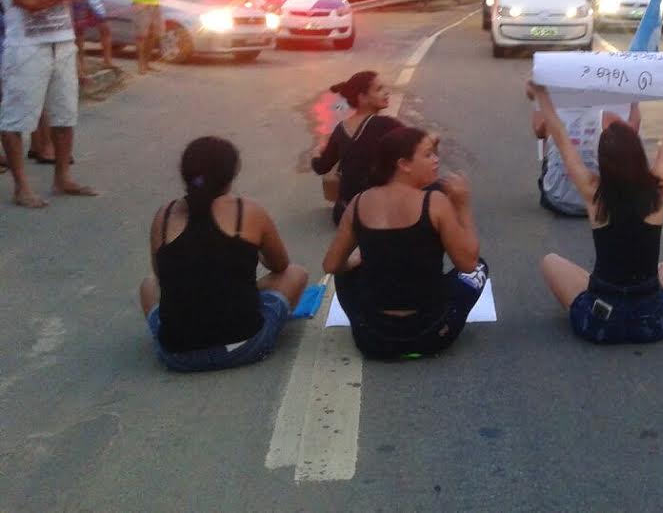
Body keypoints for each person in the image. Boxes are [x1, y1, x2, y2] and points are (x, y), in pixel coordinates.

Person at [530, 80, 663, 344]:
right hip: (651, 320)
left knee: (550, 261)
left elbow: (560, 138)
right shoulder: (657, 188)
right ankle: (637, 295)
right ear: (638, 153)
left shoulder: (595, 193)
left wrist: (541, 94)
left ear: (602, 160)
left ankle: (602, 287)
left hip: (601, 320)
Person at [139, 137, 307, 371]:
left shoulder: (164, 215)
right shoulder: (247, 211)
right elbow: (280, 266)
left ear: (184, 173)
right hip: (244, 346)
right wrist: (253, 253)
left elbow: (161, 276)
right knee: (296, 274)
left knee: (148, 285)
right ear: (232, 174)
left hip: (177, 356)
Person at [322, 127, 488, 359]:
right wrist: (462, 206)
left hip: (373, 338)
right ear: (404, 164)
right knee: (479, 267)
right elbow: (468, 264)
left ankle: (368, 317)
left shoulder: (359, 202)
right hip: (430, 335)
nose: (436, 160)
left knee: (345, 269)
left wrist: (355, 261)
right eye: (428, 155)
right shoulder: (436, 203)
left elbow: (331, 264)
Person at [0, 0, 94, 207]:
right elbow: (26, 0)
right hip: (26, 46)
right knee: (17, 119)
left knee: (65, 114)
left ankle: (62, 177)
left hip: (63, 43)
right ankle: (21, 187)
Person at [312, 71, 404, 225]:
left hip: (344, 213)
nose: (386, 92)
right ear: (362, 98)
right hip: (376, 215)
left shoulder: (340, 128)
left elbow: (321, 167)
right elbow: (418, 144)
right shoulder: (386, 125)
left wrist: (316, 153)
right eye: (379, 89)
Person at [532, 101, 641, 216]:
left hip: (555, 199)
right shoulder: (605, 118)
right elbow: (632, 131)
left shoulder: (553, 118)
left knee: (551, 154)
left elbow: (539, 132)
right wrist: (634, 105)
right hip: (599, 201)